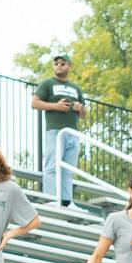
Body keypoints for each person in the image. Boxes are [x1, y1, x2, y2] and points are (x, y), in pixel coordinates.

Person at [30, 52, 87, 210]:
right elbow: (34, 103)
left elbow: (83, 114)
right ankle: (50, 199)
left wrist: (79, 108)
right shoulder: (48, 83)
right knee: (52, 165)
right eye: (56, 63)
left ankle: (67, 202)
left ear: (69, 66)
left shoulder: (76, 88)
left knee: (68, 169)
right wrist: (55, 106)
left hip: (72, 133)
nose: (59, 66)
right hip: (55, 131)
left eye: (62, 63)